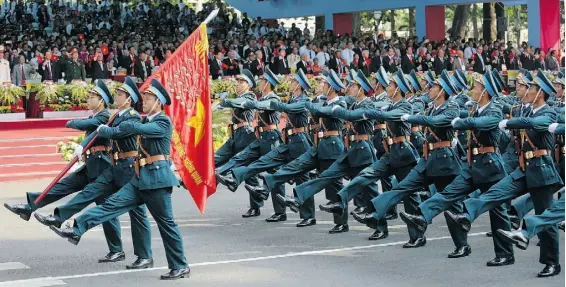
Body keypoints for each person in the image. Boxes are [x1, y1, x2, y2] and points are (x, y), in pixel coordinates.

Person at [50, 79, 190, 280]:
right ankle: (76, 228)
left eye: (149, 99)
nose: (144, 102)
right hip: (140, 178)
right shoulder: (144, 121)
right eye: (145, 98)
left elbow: (136, 130)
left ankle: (180, 265)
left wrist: (106, 130)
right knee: (111, 205)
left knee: (166, 225)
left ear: (159, 102)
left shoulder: (162, 122)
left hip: (158, 181)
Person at [445, 69, 562, 278]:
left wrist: (506, 122)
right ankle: (467, 215)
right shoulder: (525, 111)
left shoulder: (549, 113)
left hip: (543, 172)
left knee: (546, 219)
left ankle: (551, 262)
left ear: (540, 93)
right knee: (496, 192)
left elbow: (534, 125)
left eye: (529, 88)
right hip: (524, 169)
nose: (523, 91)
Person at [33, 78, 153, 267]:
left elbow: (116, 133)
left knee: (137, 214)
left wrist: (102, 129)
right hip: (114, 166)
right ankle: (59, 217)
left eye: (120, 94)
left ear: (128, 99)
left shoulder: (132, 116)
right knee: (90, 191)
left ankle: (144, 255)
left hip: (130, 168)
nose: (116, 96)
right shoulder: (116, 116)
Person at [400, 71, 515, 263]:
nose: (472, 90)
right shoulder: (475, 109)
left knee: (498, 213)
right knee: (450, 192)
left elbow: (483, 124)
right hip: (473, 165)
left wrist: (459, 122)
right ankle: (422, 216)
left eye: (476, 88)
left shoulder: (493, 109)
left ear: (485, 92)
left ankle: (505, 254)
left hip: (491, 167)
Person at [220, 70, 313, 224]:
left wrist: (246, 103)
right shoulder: (290, 99)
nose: (289, 83)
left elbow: (269, 105)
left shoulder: (298, 100)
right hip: (284, 139)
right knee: (263, 165)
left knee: (300, 178)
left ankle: (301, 215)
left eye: (292, 81)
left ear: (298, 85)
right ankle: (234, 177)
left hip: (292, 141)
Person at [216, 67, 282, 217]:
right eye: (238, 81)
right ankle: (219, 178)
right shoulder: (261, 98)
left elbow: (247, 104)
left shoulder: (255, 98)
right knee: (243, 163)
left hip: (266, 138)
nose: (238, 83)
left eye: (242, 81)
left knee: (273, 175)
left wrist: (227, 102)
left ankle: (279, 210)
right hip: (256, 137)